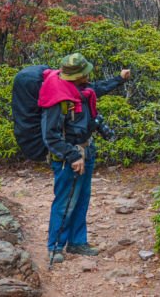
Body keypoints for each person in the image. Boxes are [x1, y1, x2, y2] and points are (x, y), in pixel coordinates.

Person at [38, 52, 130, 264]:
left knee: (81, 199)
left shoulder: (80, 89)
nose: (88, 76)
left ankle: (78, 242)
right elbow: (50, 135)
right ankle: (55, 247)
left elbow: (98, 88)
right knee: (65, 201)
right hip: (69, 157)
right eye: (84, 73)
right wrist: (71, 156)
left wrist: (119, 78)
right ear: (75, 76)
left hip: (86, 150)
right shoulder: (57, 99)